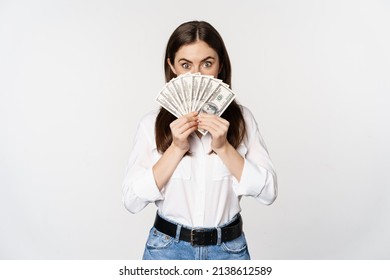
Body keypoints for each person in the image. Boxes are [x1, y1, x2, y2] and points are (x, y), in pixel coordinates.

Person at [122, 20, 277, 260]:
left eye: (207, 63)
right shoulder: (150, 125)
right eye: (185, 65)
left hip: (228, 250)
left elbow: (268, 193)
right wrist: (176, 149)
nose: (196, 74)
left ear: (220, 65)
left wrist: (224, 148)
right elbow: (132, 201)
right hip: (167, 251)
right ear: (172, 66)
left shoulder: (242, 120)